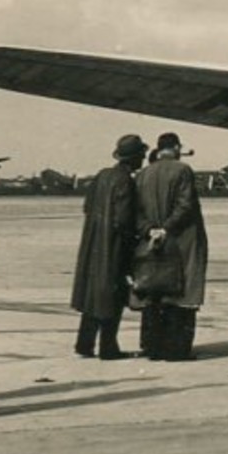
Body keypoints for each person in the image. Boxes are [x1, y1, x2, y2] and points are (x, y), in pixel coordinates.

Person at [134, 132, 208, 360]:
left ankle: (152, 348)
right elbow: (185, 205)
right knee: (182, 294)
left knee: (154, 293)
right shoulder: (182, 170)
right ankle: (177, 350)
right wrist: (167, 228)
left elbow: (136, 211)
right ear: (176, 147)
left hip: (152, 242)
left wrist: (151, 230)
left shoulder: (143, 174)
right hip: (181, 241)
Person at [71, 134, 146, 359]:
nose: (142, 159)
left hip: (93, 243)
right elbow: (123, 220)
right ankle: (108, 347)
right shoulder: (126, 181)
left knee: (93, 295)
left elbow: (87, 207)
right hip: (113, 246)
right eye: (140, 155)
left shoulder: (102, 176)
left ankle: (84, 344)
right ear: (133, 158)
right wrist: (133, 244)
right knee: (113, 296)